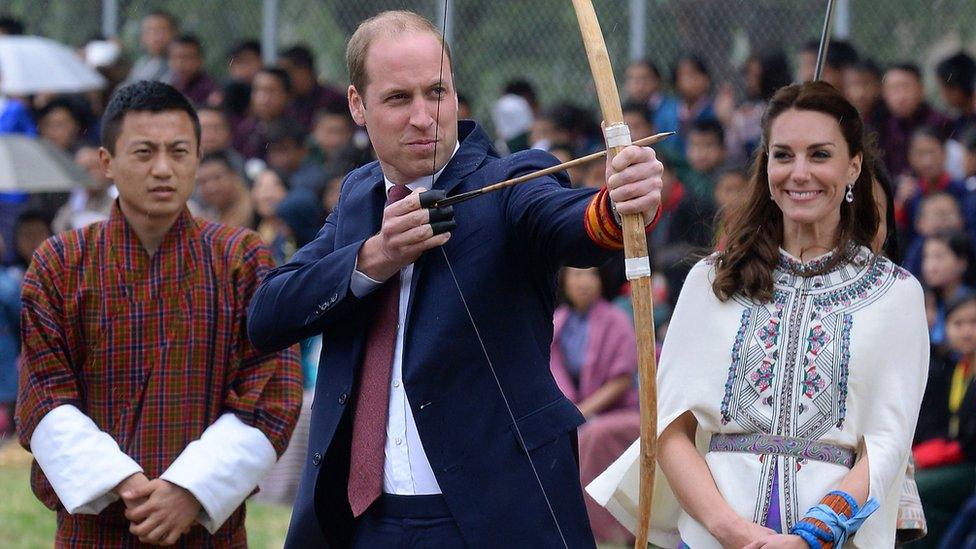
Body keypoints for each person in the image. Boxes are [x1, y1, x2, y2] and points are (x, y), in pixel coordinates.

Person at [246, 10, 664, 549]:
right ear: (357, 105)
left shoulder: (511, 180)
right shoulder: (360, 196)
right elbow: (268, 314)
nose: (424, 117)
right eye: (398, 98)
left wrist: (620, 204)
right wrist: (377, 255)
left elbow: (570, 221)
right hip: (363, 522)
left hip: (491, 517)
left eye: (436, 92)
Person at [588, 82, 928, 549]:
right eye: (783, 155)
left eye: (820, 154)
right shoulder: (711, 280)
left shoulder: (896, 294)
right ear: (766, 163)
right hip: (713, 535)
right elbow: (669, 429)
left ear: (853, 167)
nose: (799, 173)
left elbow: (888, 442)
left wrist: (811, 536)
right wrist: (732, 532)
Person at [15, 81, 303, 547]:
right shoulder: (60, 263)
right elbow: (44, 396)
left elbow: (272, 391)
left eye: (179, 151)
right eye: (144, 152)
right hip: (98, 526)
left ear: (198, 157)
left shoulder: (242, 258)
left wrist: (189, 491)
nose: (163, 169)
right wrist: (125, 484)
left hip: (206, 528)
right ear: (107, 162)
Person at [551, 266, 640, 544]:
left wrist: (582, 411)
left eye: (591, 274)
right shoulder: (557, 321)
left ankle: (602, 531)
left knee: (593, 434)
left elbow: (623, 380)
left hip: (623, 413)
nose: (584, 282)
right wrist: (570, 412)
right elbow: (552, 372)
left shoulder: (617, 319)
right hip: (576, 414)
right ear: (564, 282)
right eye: (576, 275)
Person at [910, 292, 976, 548]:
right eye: (958, 324)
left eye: (973, 323)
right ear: (945, 328)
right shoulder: (957, 368)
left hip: (970, 465)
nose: (967, 331)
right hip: (960, 461)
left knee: (920, 488)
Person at [165, 34, 217, 107]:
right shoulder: (170, 87)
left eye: (187, 57)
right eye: (175, 58)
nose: (180, 63)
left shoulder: (211, 90)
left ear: (200, 59)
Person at [126, 10, 177, 84]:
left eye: (161, 30)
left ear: (174, 33)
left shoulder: (180, 65)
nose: (156, 36)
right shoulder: (141, 64)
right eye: (150, 31)